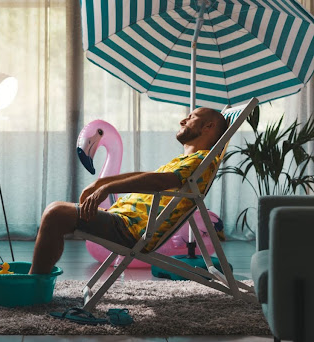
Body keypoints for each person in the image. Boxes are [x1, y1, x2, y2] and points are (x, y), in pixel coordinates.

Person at [29, 107, 228, 274]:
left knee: (55, 213)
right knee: (57, 211)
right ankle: (38, 278)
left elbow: (159, 181)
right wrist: (101, 183)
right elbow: (149, 175)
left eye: (192, 117)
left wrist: (108, 188)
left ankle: (35, 283)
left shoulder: (199, 160)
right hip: (123, 219)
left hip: (130, 230)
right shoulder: (184, 161)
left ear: (208, 127)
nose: (183, 121)